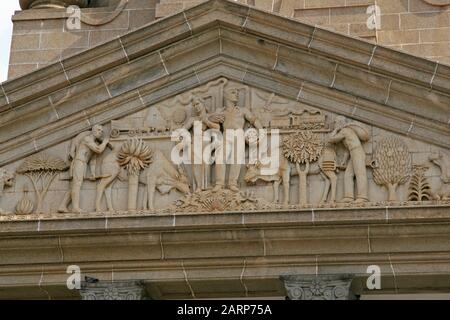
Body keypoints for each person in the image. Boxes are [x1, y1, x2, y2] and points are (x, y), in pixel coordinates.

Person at [212, 88, 262, 192]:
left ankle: (232, 183)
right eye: (233, 92)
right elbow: (208, 119)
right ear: (226, 95)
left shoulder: (242, 110)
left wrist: (261, 131)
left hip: (239, 134)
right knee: (220, 157)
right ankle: (219, 183)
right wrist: (214, 117)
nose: (236, 95)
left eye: (237, 93)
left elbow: (254, 120)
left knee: (237, 159)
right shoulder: (221, 111)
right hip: (226, 134)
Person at [58, 125, 110, 213]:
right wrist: (105, 142)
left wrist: (93, 173)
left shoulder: (94, 142)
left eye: (101, 131)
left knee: (74, 186)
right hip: (79, 162)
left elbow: (92, 159)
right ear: (93, 131)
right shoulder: (87, 139)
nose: (100, 132)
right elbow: (98, 150)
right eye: (98, 130)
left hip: (83, 163)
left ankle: (62, 206)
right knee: (77, 185)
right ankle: (75, 207)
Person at [328, 116, 369, 203]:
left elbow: (331, 139)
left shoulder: (344, 131)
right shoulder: (346, 131)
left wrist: (335, 130)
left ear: (339, 123)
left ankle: (362, 196)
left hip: (357, 152)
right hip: (353, 152)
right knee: (348, 174)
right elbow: (348, 148)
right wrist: (344, 160)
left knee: (360, 173)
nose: (334, 125)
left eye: (335, 123)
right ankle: (349, 196)